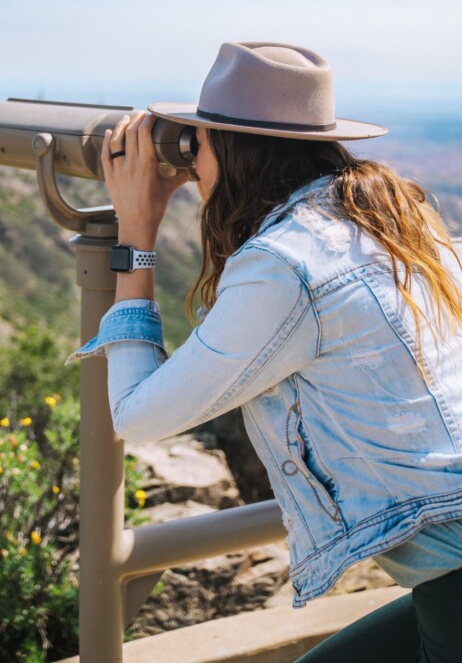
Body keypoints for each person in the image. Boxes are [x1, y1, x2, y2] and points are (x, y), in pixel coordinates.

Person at [66, 42, 462, 663]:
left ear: (234, 149)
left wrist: (135, 235)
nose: (191, 162)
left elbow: (139, 415)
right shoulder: (398, 218)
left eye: (198, 142)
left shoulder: (286, 265)